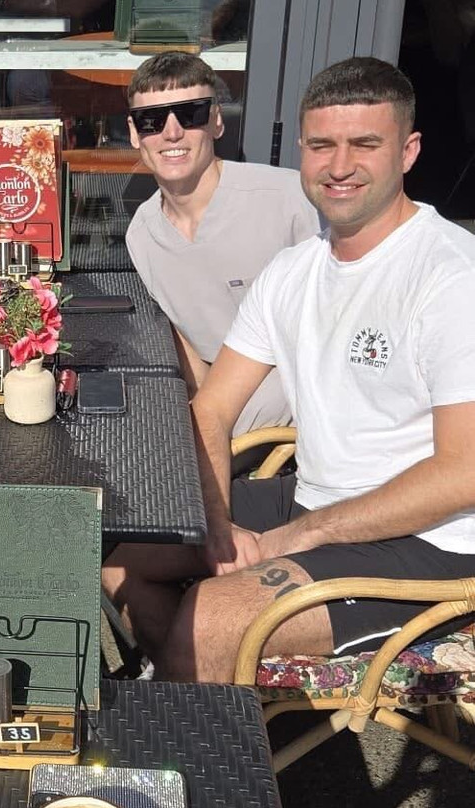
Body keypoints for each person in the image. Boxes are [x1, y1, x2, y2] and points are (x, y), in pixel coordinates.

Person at [105, 56, 475, 683]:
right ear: (302, 149)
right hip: (315, 496)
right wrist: (218, 525)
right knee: (122, 558)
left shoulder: (450, 275)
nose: (339, 166)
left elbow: (463, 474)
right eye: (322, 145)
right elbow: (212, 408)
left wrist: (296, 538)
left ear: (408, 151)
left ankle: (191, 700)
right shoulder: (294, 271)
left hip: (434, 543)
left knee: (210, 619)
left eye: (365, 144)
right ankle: (205, 696)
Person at [122, 51, 320, 438]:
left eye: (190, 114)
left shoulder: (288, 199)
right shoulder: (142, 234)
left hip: (297, 379)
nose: (172, 132)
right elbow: (186, 349)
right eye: (151, 120)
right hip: (220, 398)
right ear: (134, 133)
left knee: (179, 438)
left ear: (216, 120)